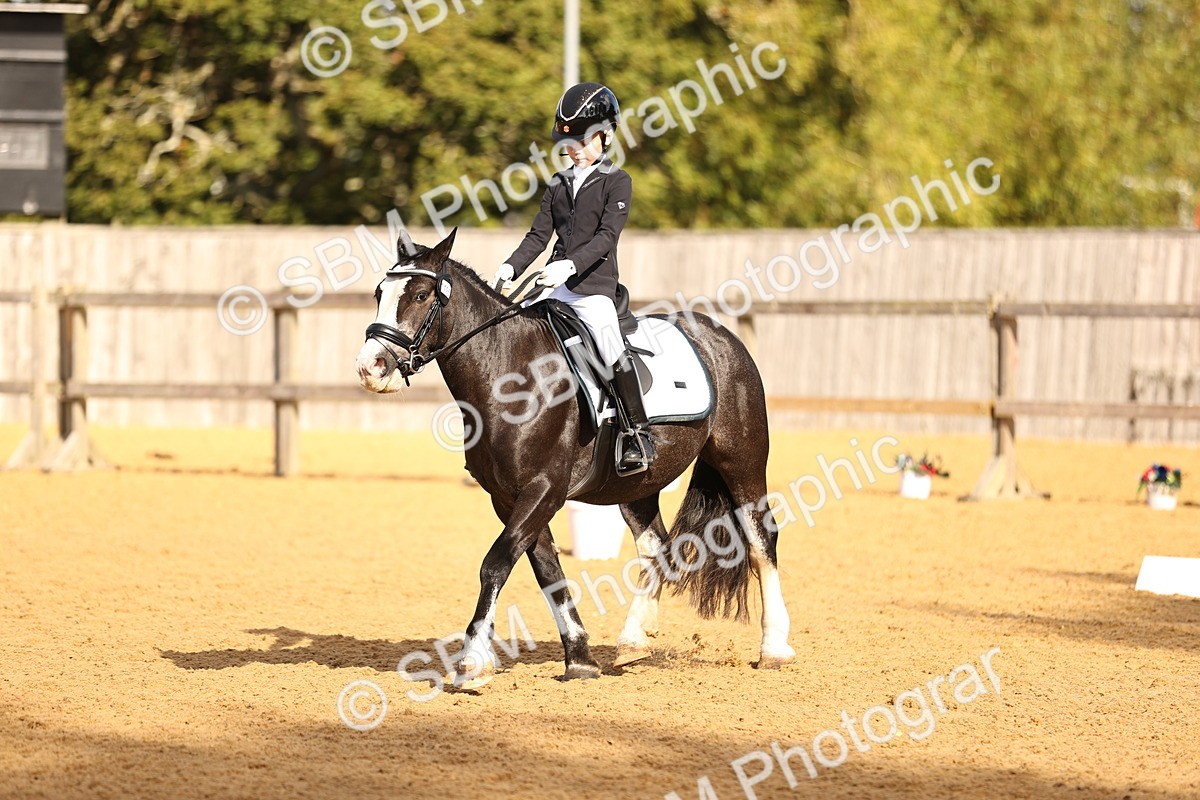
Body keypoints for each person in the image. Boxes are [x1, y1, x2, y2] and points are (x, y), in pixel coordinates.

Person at [495, 82, 655, 475]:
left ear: (606, 135)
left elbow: (606, 237)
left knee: (605, 337)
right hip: (552, 286)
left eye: (582, 140)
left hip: (592, 289)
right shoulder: (558, 182)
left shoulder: (618, 182)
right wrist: (511, 267)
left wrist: (569, 266)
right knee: (512, 332)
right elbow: (538, 235)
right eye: (569, 143)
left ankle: (637, 433)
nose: (573, 149)